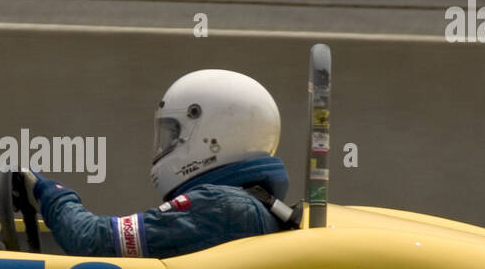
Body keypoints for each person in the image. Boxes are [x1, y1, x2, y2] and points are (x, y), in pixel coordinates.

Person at [22, 69, 293, 259]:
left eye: (173, 135)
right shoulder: (253, 207)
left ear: (214, 139)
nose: (166, 146)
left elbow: (90, 240)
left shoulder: (221, 207)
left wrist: (51, 194)